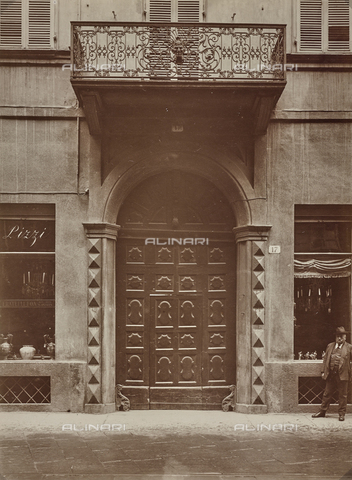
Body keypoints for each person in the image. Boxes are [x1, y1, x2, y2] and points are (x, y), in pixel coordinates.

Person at [312, 326, 352, 421]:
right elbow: (325, 360)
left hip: (343, 375)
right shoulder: (330, 346)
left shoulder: (349, 347)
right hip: (331, 375)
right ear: (335, 337)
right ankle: (322, 411)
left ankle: (341, 414)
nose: (339, 338)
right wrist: (323, 371)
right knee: (327, 393)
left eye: (341, 336)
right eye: (338, 336)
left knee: (343, 395)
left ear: (345, 337)